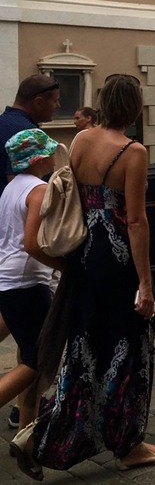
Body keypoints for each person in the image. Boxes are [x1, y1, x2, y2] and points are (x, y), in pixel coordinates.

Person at [22, 74, 155, 476]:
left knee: (85, 347)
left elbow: (73, 193)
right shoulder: (133, 151)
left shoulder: (82, 140)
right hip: (118, 259)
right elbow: (137, 222)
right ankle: (129, 444)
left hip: (84, 255)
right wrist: (145, 282)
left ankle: (49, 435)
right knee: (129, 348)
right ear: (135, 106)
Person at [0, 130, 65, 480]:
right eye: (51, 153)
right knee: (36, 359)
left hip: (8, 282)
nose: (55, 158)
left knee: (33, 359)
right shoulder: (38, 190)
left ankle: (28, 435)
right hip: (27, 283)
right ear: (38, 159)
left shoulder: (12, 187)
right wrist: (64, 267)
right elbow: (31, 243)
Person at [0, 75, 61, 199]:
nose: (58, 106)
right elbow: (22, 187)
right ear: (39, 102)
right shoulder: (29, 135)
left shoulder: (3, 122)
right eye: (55, 101)